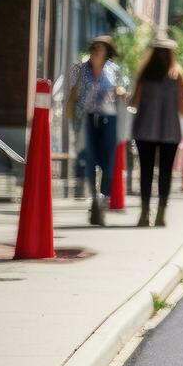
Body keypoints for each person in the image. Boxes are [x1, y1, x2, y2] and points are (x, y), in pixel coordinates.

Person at [129, 34, 183, 227]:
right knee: (165, 172)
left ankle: (144, 213)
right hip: (169, 129)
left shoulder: (145, 72)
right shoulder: (177, 74)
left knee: (146, 171)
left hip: (145, 127)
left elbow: (135, 101)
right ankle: (161, 214)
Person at [68, 34, 126, 225]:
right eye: (96, 48)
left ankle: (103, 197)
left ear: (107, 52)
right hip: (88, 118)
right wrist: (72, 122)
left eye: (102, 48)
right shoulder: (80, 68)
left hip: (108, 118)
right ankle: (94, 198)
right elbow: (73, 94)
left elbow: (122, 89)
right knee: (90, 158)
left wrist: (121, 92)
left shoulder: (114, 69)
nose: (98, 51)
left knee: (108, 161)